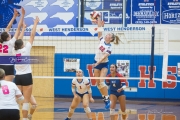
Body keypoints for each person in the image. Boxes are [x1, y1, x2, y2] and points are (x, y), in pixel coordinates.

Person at [12, 16, 40, 120]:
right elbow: (32, 35)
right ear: (22, 44)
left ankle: (15, 116)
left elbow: (18, 40)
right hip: (27, 76)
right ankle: (24, 118)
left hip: (18, 77)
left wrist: (23, 28)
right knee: (26, 101)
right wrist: (35, 23)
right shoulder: (26, 49)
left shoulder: (14, 52)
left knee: (18, 100)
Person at [92, 15, 120, 109]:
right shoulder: (102, 40)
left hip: (103, 64)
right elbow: (99, 32)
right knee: (97, 84)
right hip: (96, 62)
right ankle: (106, 100)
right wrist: (98, 19)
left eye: (109, 35)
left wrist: (97, 63)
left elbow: (104, 57)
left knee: (101, 81)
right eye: (107, 34)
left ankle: (108, 99)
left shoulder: (109, 48)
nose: (107, 35)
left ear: (111, 39)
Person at [0, 8, 25, 82]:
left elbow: (7, 28)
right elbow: (18, 28)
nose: (9, 33)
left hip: (0, 65)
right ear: (8, 37)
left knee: (1, 86)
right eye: (9, 34)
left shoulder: (1, 41)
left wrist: (14, 17)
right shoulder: (11, 43)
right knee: (7, 85)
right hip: (8, 66)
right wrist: (22, 15)